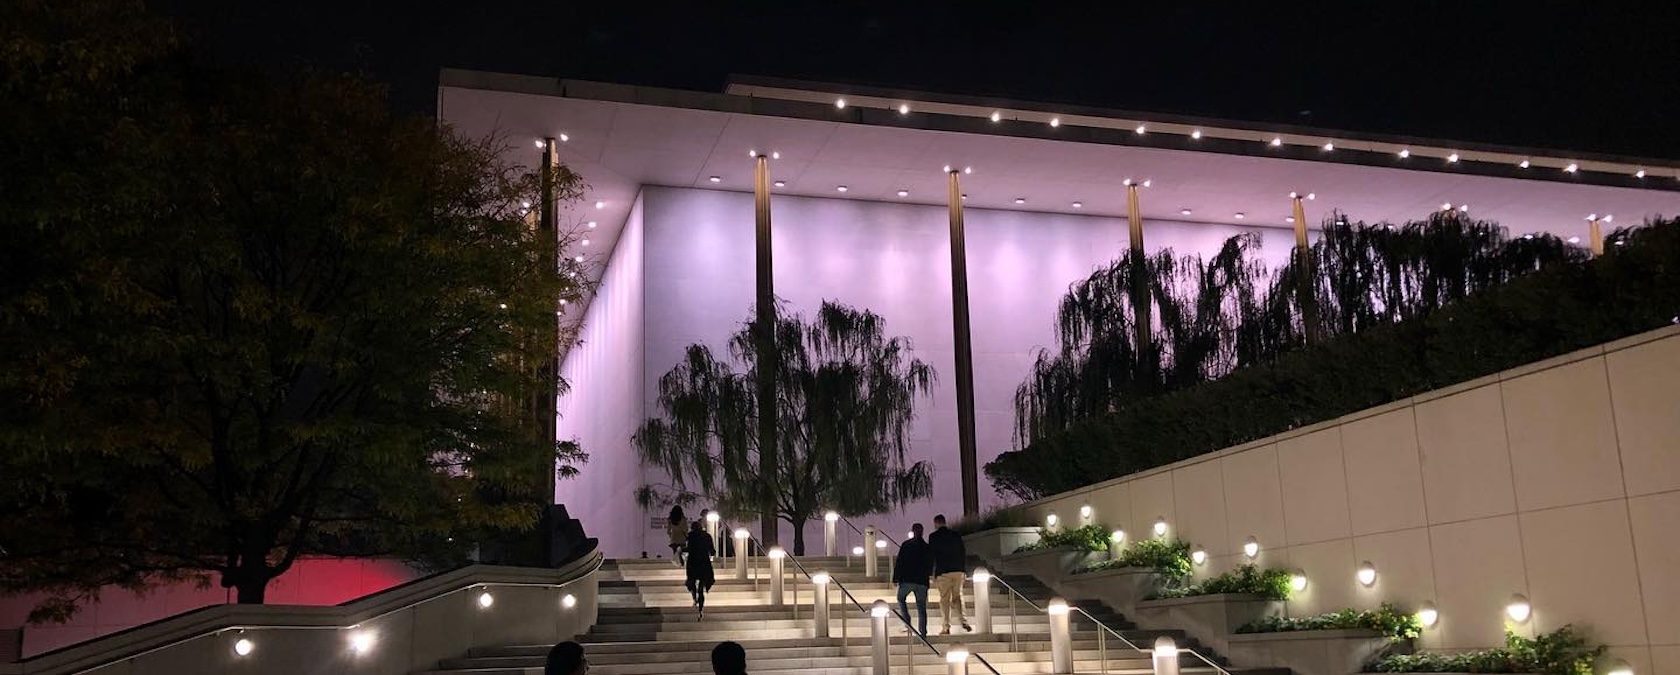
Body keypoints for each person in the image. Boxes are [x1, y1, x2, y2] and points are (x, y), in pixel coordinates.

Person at [927, 514, 973, 634]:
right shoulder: (956, 535)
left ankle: (946, 626)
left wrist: (931, 573)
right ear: (945, 522)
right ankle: (964, 621)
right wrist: (964, 570)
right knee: (958, 596)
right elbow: (963, 552)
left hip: (943, 572)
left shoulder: (934, 536)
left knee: (945, 600)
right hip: (958, 570)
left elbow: (932, 555)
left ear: (936, 523)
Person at [892, 522, 934, 636]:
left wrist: (896, 578)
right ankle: (923, 633)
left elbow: (900, 562)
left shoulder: (906, 545)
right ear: (922, 532)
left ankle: (907, 622)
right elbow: (930, 564)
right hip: (922, 581)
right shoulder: (926, 547)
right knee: (921, 607)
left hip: (907, 580)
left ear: (913, 531)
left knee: (900, 598)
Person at [685, 520, 716, 617]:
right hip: (704, 563)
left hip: (693, 563)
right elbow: (712, 551)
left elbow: (688, 548)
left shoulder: (690, 536)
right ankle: (701, 607)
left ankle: (695, 599)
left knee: (692, 581)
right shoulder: (707, 536)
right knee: (702, 585)